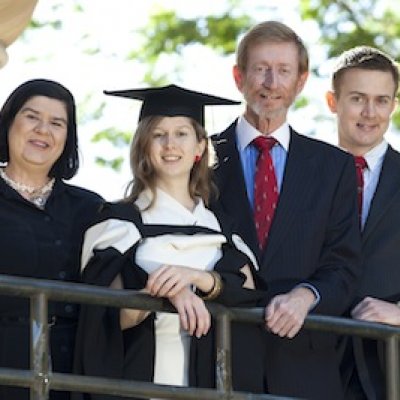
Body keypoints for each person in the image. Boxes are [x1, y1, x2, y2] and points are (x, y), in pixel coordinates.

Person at [72, 84, 265, 400]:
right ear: (144, 145)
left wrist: (196, 278)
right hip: (141, 385)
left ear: (200, 147)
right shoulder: (120, 223)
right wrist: (162, 292)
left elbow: (248, 295)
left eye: (182, 134)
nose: (170, 144)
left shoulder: (221, 228)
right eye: (158, 134)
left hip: (215, 388)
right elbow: (106, 317)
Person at [211, 20, 362, 399]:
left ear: (300, 81)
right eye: (261, 69)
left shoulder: (334, 167)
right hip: (218, 355)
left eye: (283, 71)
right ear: (238, 77)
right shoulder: (201, 158)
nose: (271, 82)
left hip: (305, 365)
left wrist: (305, 295)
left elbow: (343, 265)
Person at [0, 78, 104, 399]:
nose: (43, 130)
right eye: (32, 117)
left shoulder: (93, 209)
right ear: (8, 124)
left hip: (70, 374)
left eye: (57, 123)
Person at [326, 45, 400, 400]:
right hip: (314, 359)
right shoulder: (303, 176)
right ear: (332, 102)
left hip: (391, 364)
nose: (370, 113)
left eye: (382, 100)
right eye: (357, 98)